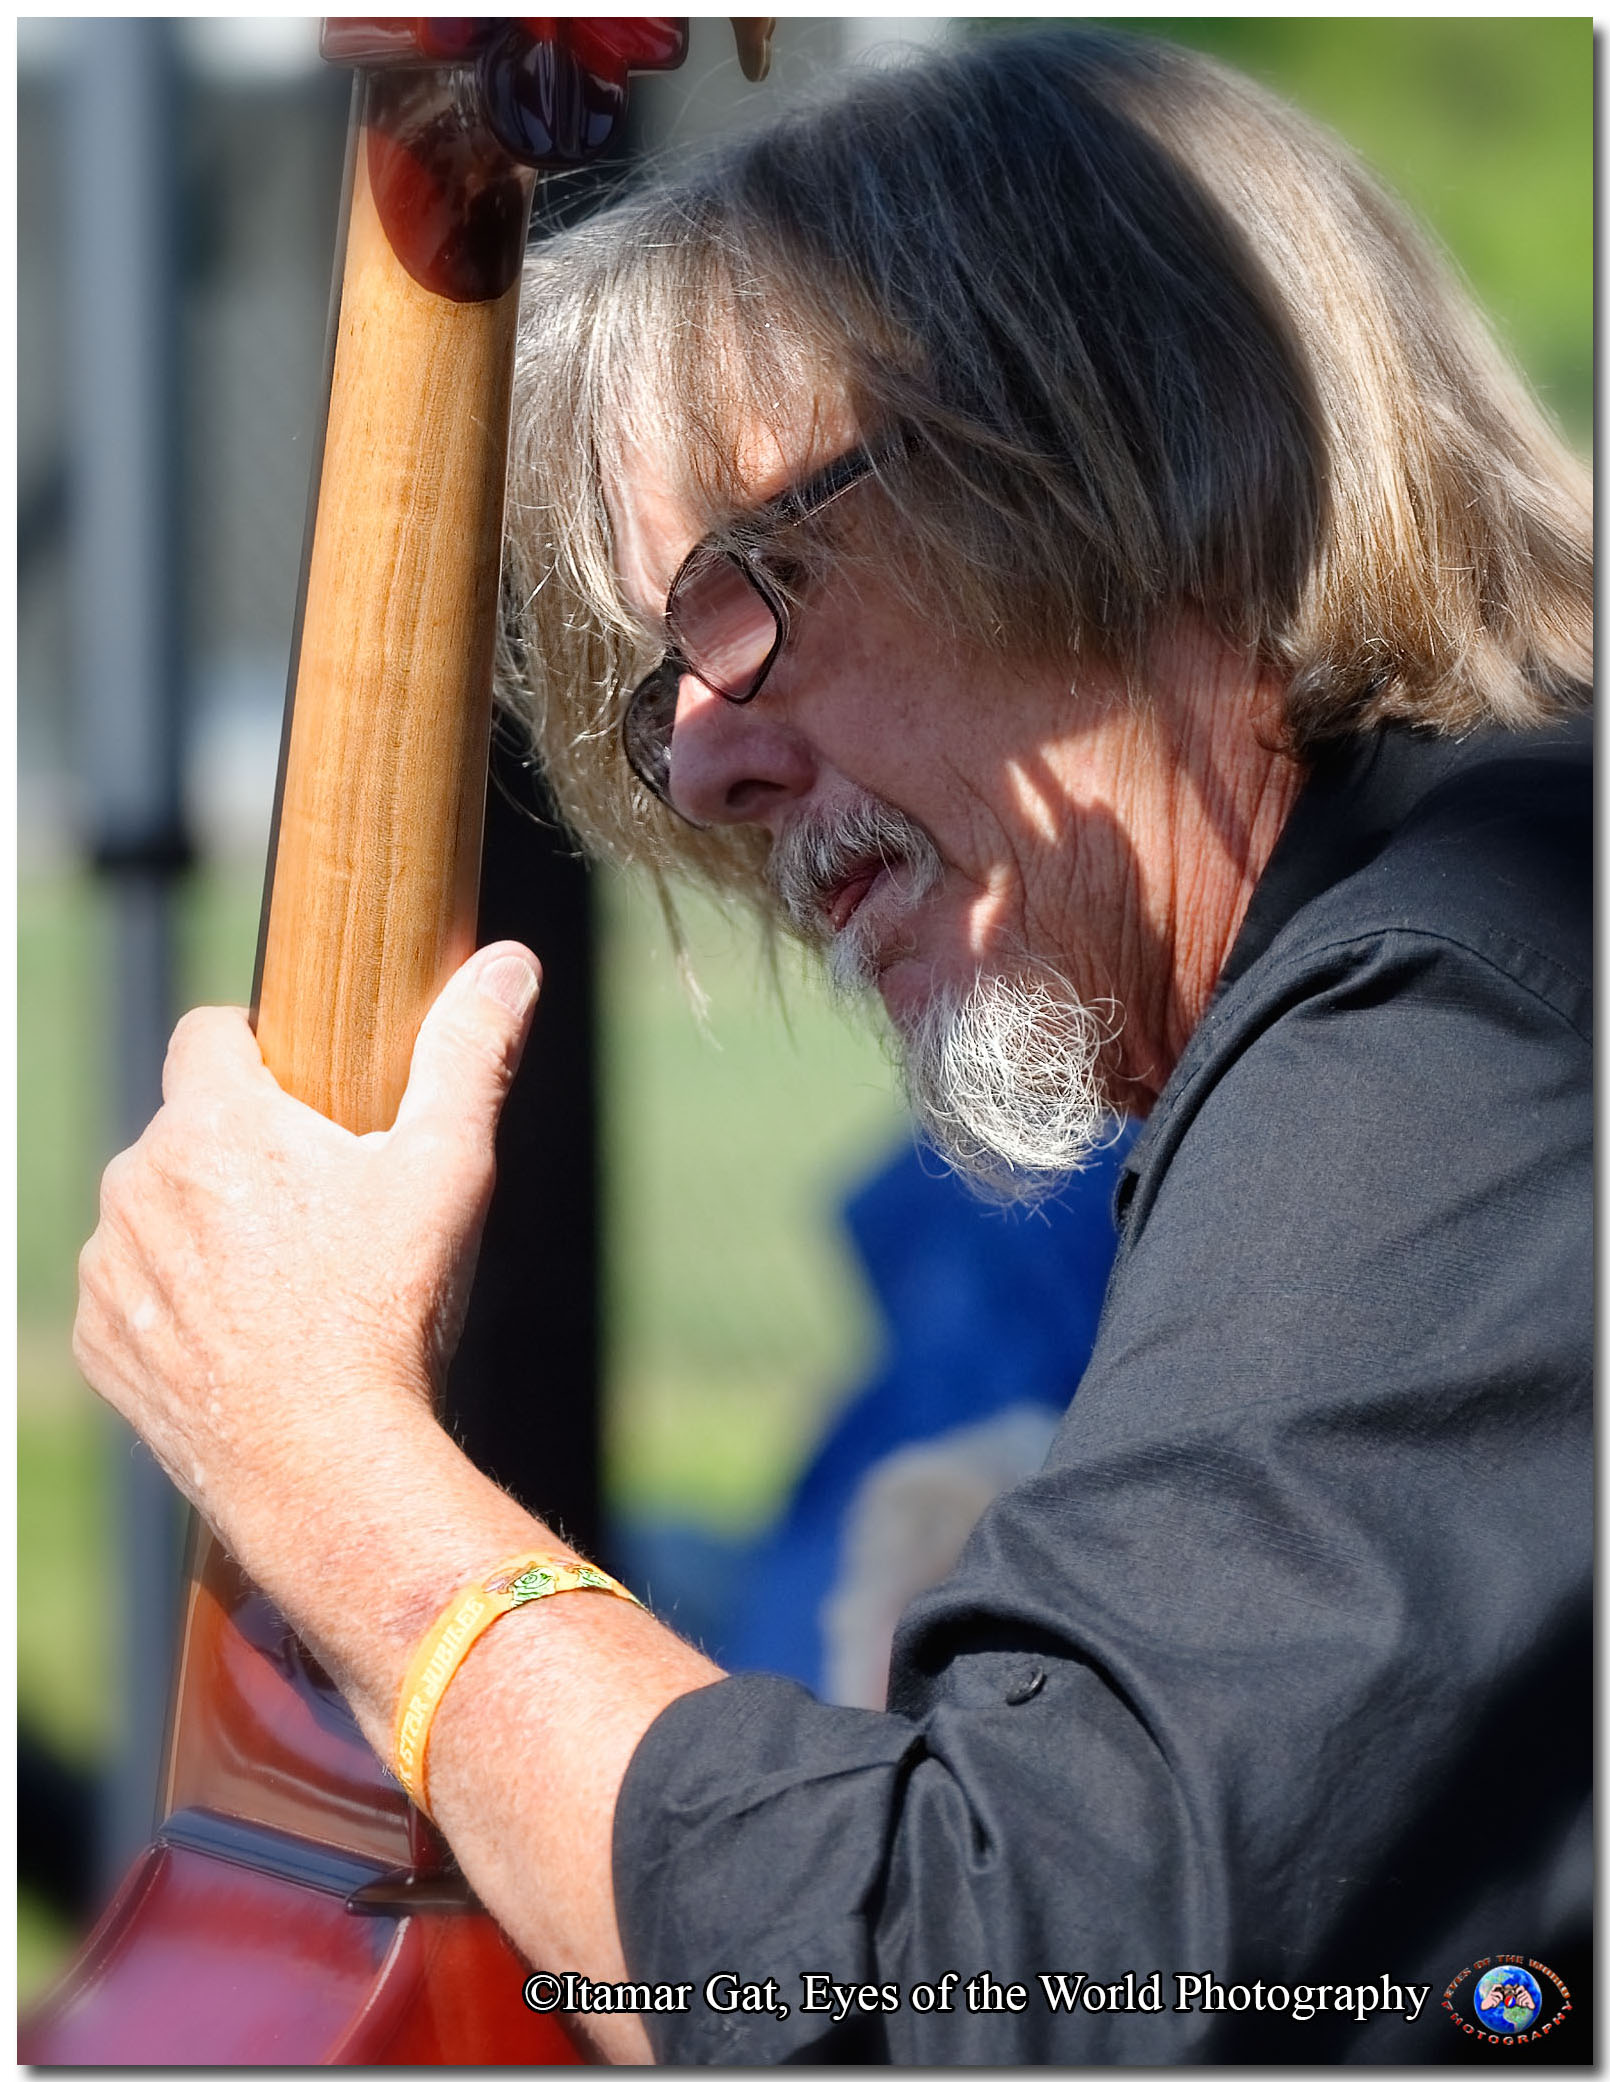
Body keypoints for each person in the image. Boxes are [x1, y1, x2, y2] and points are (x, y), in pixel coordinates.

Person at [73, 27, 1590, 2064]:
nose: (699, 767)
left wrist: (326, 1463)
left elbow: (995, 1979)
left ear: (1115, 460)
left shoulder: (1488, 994)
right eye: (658, 684)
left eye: (747, 588)